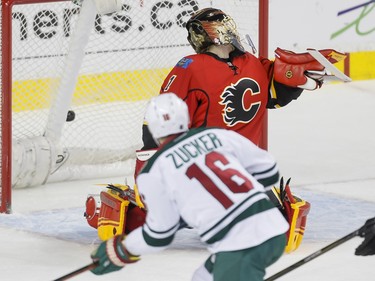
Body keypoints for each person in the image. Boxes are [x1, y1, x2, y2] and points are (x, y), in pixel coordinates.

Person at [90, 93, 289, 281]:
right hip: (275, 229)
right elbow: (268, 169)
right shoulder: (216, 135)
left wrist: (122, 249)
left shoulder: (153, 171)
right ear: (186, 117)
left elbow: (159, 234)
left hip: (241, 245)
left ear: (152, 127)